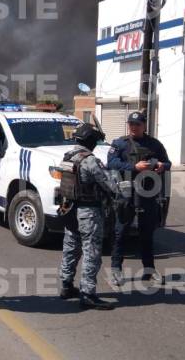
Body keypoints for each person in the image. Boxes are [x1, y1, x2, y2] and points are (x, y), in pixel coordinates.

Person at [58, 123, 119, 310]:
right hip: (89, 213)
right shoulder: (90, 160)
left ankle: (66, 285)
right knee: (91, 252)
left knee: (70, 249)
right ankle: (88, 294)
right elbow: (111, 185)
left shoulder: (67, 157)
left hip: (69, 209)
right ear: (90, 141)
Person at [107, 111, 171, 286]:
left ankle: (149, 270)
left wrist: (160, 166)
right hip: (126, 194)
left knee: (146, 233)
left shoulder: (154, 144)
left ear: (144, 126)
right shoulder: (120, 143)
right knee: (121, 232)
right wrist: (134, 167)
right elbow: (111, 163)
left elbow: (168, 163)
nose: (134, 127)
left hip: (147, 194)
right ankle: (116, 269)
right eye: (131, 124)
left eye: (137, 124)